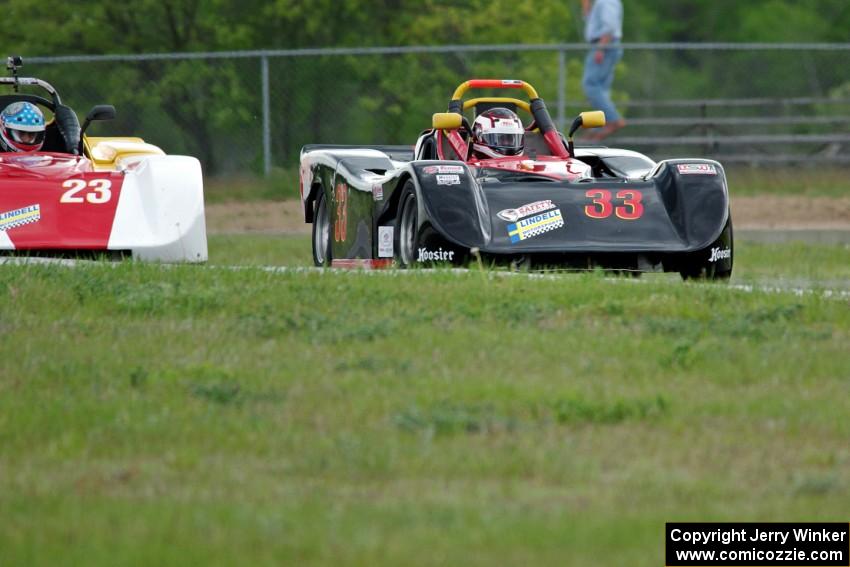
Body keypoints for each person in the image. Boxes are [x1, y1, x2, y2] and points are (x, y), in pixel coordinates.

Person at [581, 0, 625, 141]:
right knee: (601, 89)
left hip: (604, 46)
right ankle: (600, 124)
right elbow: (593, 23)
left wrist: (601, 48)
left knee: (591, 85)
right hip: (604, 45)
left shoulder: (607, 1)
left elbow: (609, 27)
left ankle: (613, 119)